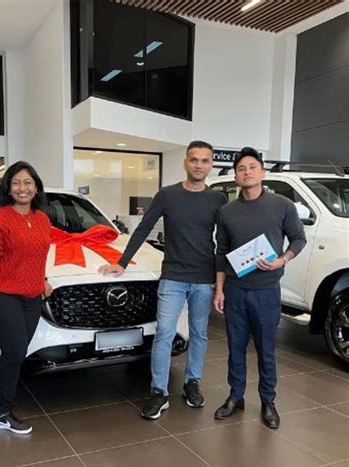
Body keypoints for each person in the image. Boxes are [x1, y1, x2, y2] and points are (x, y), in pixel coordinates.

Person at [99, 141, 227, 420]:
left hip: (204, 279)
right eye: (194, 159)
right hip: (173, 277)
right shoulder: (168, 195)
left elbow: (225, 242)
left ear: (211, 165)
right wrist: (122, 262)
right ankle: (159, 392)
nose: (199, 165)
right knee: (165, 333)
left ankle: (192, 383)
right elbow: (143, 229)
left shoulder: (218, 200)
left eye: (205, 161)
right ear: (185, 162)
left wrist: (222, 282)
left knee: (199, 333)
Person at [213, 147, 306, 429]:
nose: (247, 172)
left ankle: (268, 401)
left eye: (252, 167)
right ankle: (235, 397)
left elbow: (298, 239)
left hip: (267, 291)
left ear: (262, 172)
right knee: (235, 348)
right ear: (236, 176)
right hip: (235, 290)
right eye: (241, 169)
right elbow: (221, 252)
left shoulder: (282, 205)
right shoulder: (227, 211)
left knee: (266, 349)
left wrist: (282, 259)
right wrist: (220, 290)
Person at [0, 161, 52, 434]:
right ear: (8, 189)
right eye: (16, 183)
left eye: (28, 182)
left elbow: (36, 255)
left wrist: (42, 280)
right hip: (4, 296)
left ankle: (1, 411)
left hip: (32, 298)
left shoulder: (42, 219)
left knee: (16, 356)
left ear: (36, 187)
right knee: (15, 352)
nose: (22, 188)